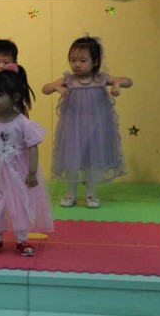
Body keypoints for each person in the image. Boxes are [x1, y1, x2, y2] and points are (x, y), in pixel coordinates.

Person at [0, 65, 53, 256]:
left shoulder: (23, 122)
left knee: (19, 203)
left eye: (0, 95)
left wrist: (32, 172)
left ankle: (21, 239)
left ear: (15, 97)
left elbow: (33, 147)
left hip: (18, 172)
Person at [43, 36, 132, 208]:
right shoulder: (69, 80)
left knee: (93, 161)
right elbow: (45, 88)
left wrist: (117, 84)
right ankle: (70, 194)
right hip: (72, 128)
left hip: (95, 128)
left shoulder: (100, 79)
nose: (77, 64)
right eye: (73, 60)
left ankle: (91, 194)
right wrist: (56, 87)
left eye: (83, 60)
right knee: (71, 160)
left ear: (95, 61)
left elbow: (128, 81)